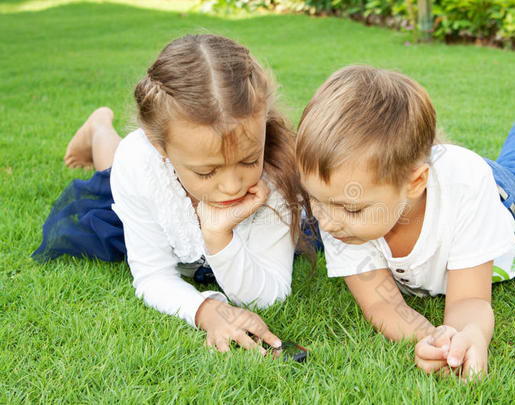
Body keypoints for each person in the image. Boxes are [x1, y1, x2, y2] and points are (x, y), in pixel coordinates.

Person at [33, 34, 313, 354]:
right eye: (207, 171)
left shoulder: (275, 172)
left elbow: (270, 294)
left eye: (249, 160)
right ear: (159, 146)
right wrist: (205, 311)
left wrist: (219, 237)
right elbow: (152, 275)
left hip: (173, 179)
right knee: (113, 171)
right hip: (138, 180)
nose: (233, 185)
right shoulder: (141, 162)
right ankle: (100, 129)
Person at [295, 66, 515, 380]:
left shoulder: (466, 188)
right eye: (315, 199)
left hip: (500, 193)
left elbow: (469, 299)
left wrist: (472, 335)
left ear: (415, 182)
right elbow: (382, 304)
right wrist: (437, 340)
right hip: (429, 178)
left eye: (351, 209)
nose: (326, 222)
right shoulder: (339, 208)